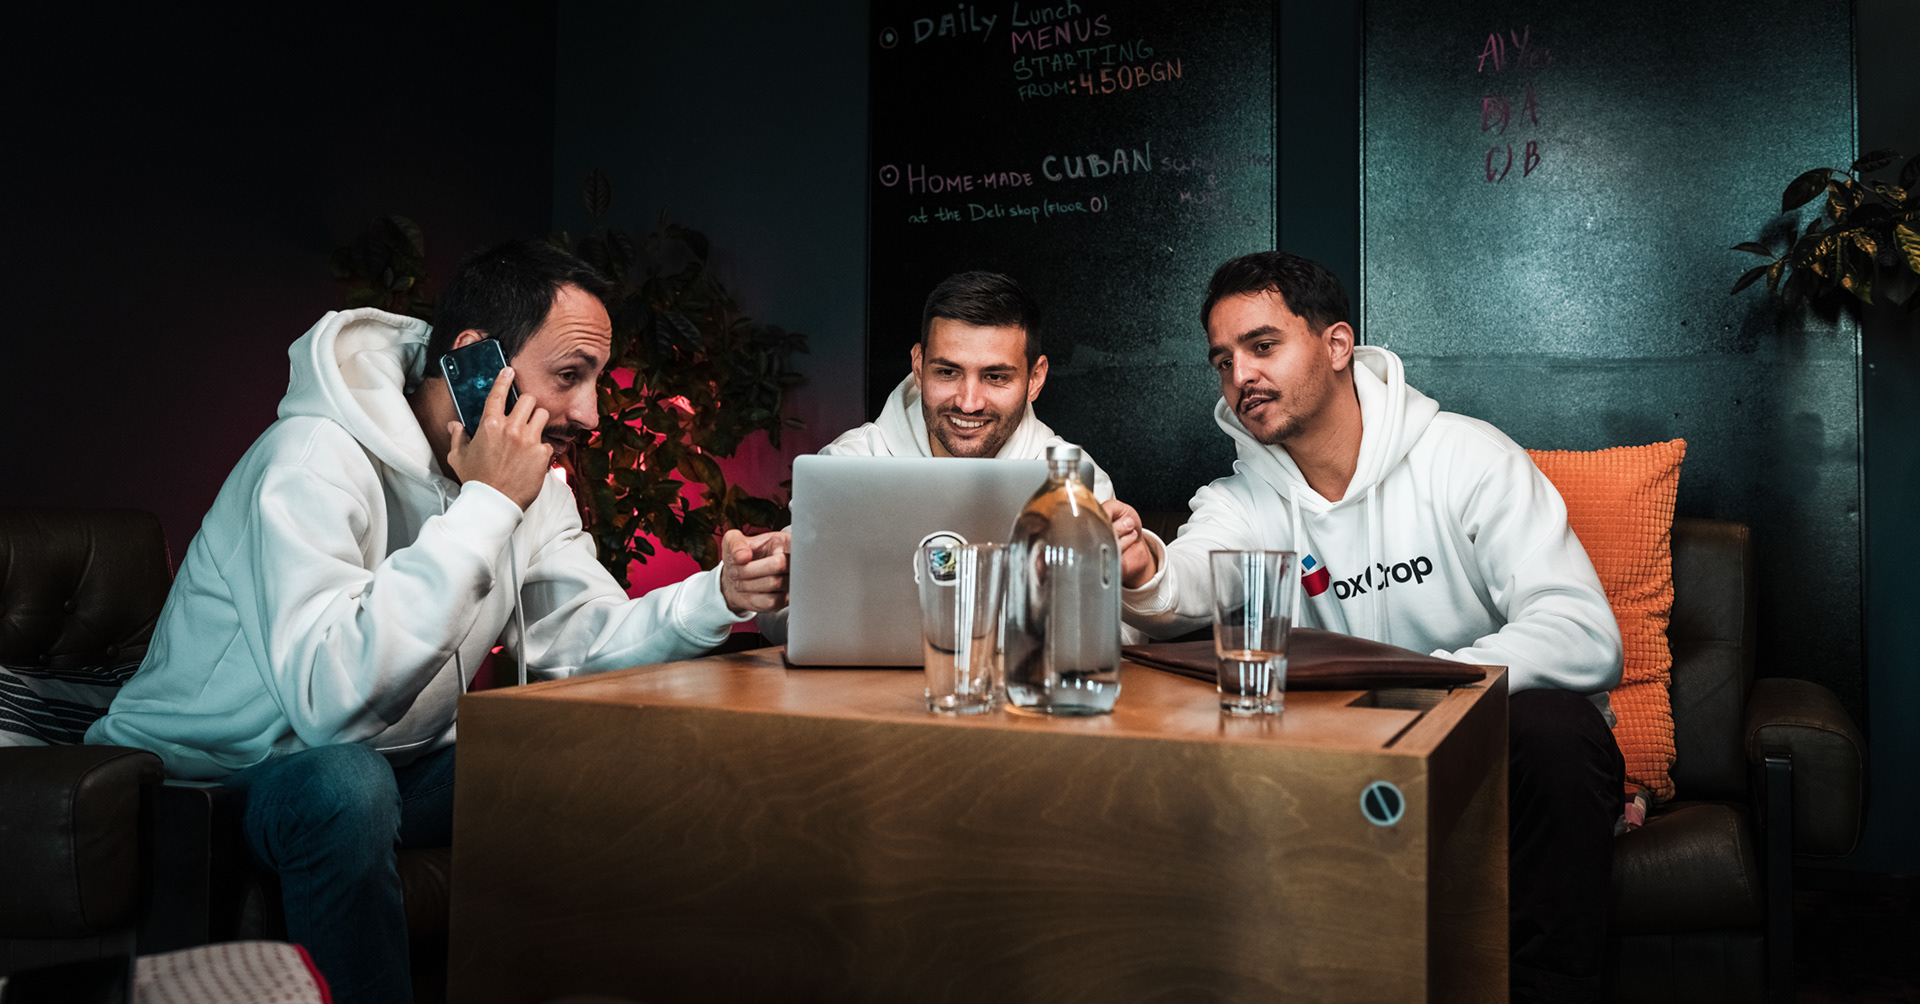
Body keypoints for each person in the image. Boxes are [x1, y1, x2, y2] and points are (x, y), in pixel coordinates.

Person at [88, 240, 789, 1004]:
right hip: (211, 778)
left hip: (394, 766)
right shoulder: (309, 460)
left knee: (581, 754)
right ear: (476, 359)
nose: (590, 413)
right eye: (570, 376)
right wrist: (489, 504)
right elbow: (331, 707)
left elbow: (580, 637)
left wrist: (721, 593)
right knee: (346, 782)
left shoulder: (533, 487)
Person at [1104, 251, 1625, 1004]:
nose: (1240, 375)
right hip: (1349, 755)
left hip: (1498, 754)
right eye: (1222, 361)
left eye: (1262, 345)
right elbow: (1186, 584)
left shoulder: (1467, 458)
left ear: (1338, 345)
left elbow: (1583, 633)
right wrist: (1139, 566)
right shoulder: (1244, 498)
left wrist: (1415, 688)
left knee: (1555, 728)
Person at [823, 270, 1114, 499]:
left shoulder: (1080, 487)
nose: (968, 404)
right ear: (919, 367)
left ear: (1035, 380)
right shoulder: (845, 468)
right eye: (948, 372)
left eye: (995, 377)